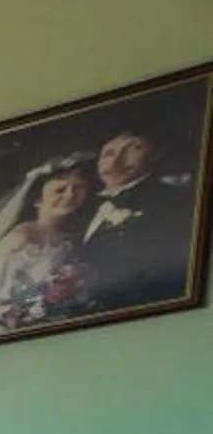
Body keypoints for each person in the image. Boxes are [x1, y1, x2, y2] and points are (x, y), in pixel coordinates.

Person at [72, 120, 199, 312]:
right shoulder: (80, 206)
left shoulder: (175, 201)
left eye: (134, 149)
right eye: (108, 153)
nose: (116, 162)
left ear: (156, 154)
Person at [0, 152, 97, 331]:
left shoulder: (70, 239)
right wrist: (11, 312)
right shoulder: (23, 238)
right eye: (60, 190)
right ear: (38, 200)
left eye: (78, 188)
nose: (70, 195)